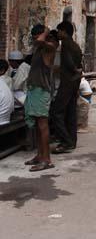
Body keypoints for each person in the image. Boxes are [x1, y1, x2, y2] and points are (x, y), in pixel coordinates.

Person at [24, 24, 57, 171]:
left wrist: (45, 32)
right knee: (37, 125)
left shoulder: (49, 47)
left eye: (36, 35)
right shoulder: (39, 48)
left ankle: (47, 160)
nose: (34, 38)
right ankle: (39, 155)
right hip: (34, 90)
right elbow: (36, 42)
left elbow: (38, 41)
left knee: (43, 125)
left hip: (41, 91)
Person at [51, 21, 82, 154]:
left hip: (68, 82)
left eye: (59, 31)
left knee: (56, 112)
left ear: (64, 31)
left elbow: (69, 63)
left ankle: (66, 141)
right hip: (73, 82)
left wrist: (74, 70)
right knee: (70, 112)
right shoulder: (74, 44)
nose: (58, 33)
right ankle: (71, 141)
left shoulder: (66, 45)